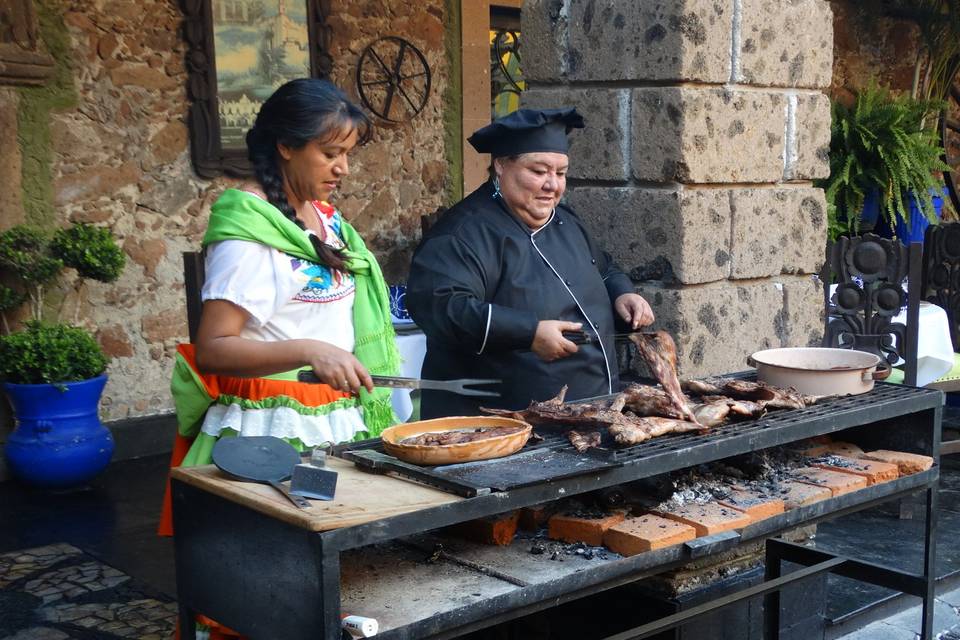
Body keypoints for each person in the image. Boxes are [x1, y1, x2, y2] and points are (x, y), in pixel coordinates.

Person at [159, 78, 400, 539]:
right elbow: (213, 348)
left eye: (347, 154)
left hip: (332, 418)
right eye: (330, 154)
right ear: (286, 146)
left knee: (338, 557)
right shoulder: (248, 230)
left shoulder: (325, 219)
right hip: (270, 428)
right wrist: (312, 350)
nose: (343, 168)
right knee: (275, 561)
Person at [406, 107, 654, 418]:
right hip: (498, 424)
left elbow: (603, 268)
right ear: (500, 165)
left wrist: (623, 293)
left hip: (590, 412)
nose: (553, 185)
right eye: (538, 172)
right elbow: (444, 308)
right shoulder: (461, 234)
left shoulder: (566, 221)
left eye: (560, 173)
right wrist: (528, 333)